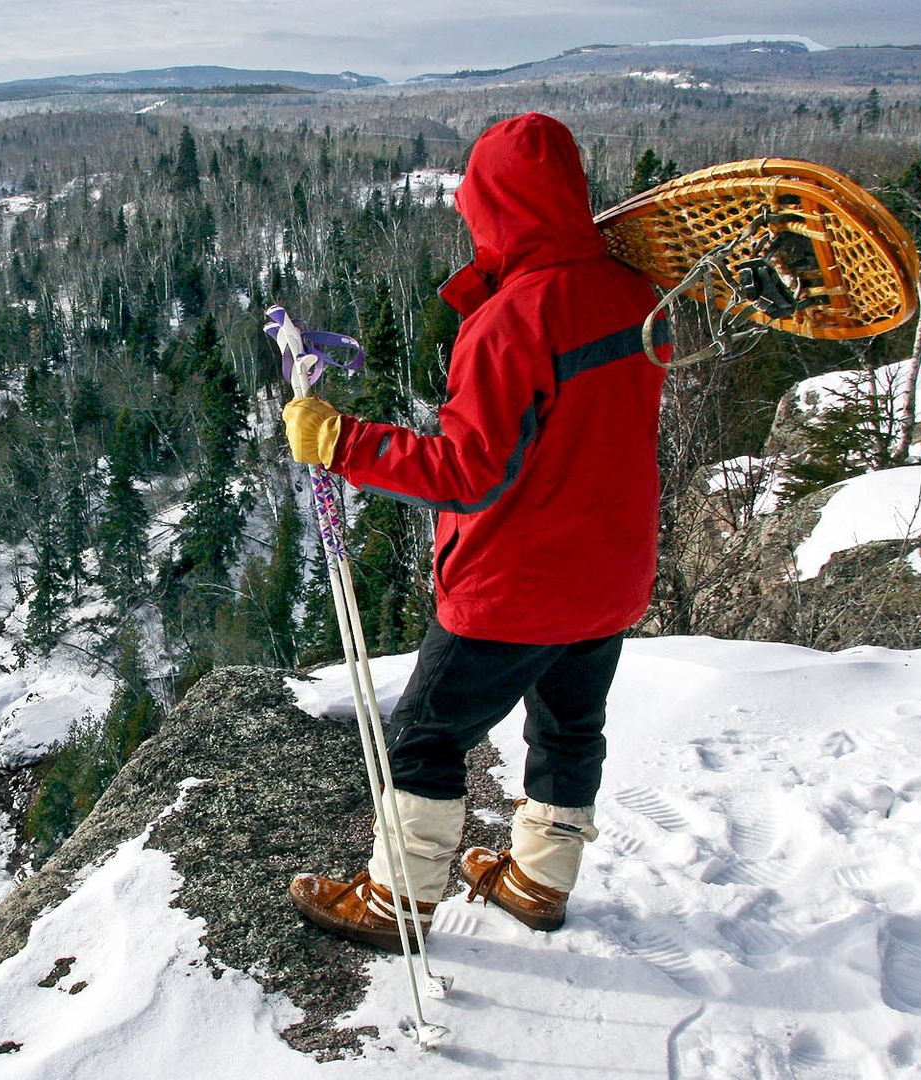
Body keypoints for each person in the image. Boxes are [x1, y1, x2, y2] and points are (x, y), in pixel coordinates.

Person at [282, 113, 666, 948]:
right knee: (568, 726)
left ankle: (395, 900)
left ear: (494, 205)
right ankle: (537, 879)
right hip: (609, 572)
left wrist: (343, 441)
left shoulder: (511, 322)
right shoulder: (635, 294)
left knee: (423, 737)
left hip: (515, 586)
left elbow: (468, 471)